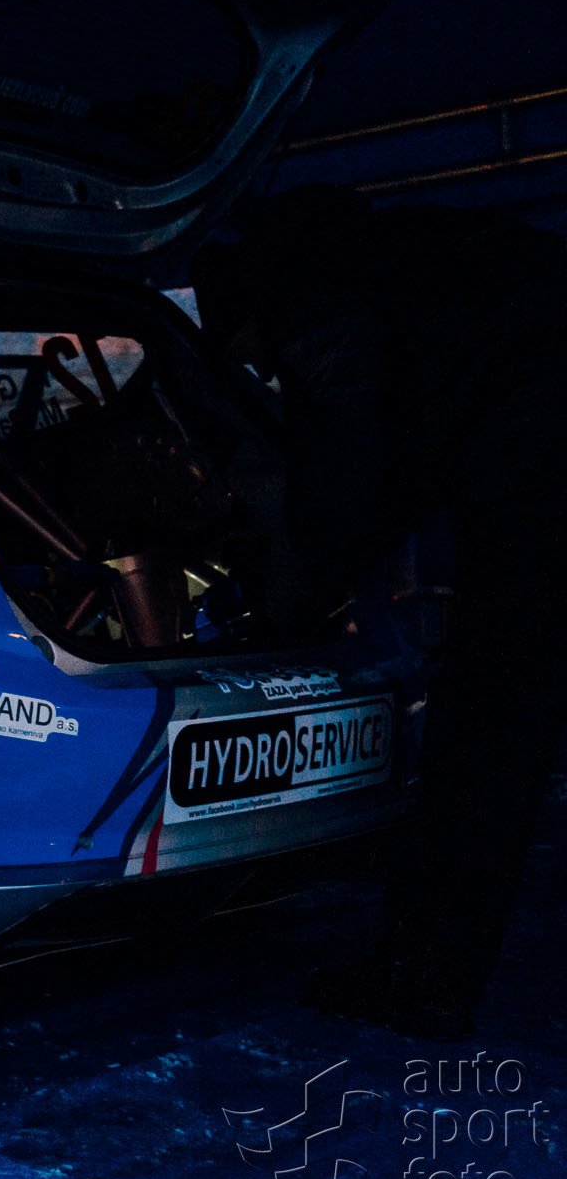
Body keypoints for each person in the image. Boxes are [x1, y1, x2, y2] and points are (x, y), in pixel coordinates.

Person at [189, 184, 567, 1039]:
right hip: (533, 433)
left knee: (487, 727)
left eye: (241, 353)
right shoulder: (377, 262)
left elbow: (345, 491)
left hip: (543, 461)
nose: (255, 371)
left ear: (246, 313)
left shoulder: (318, 312)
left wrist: (282, 613)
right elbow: (404, 463)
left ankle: (424, 980)